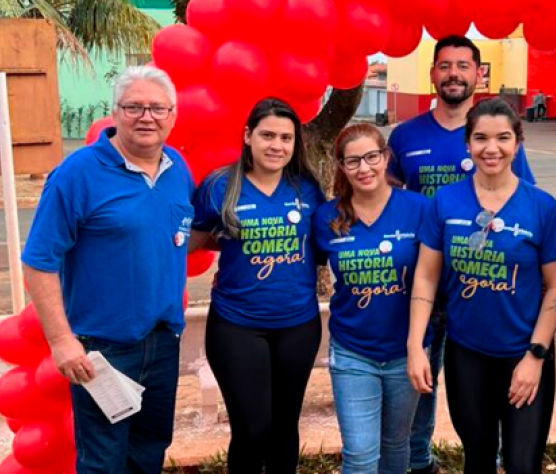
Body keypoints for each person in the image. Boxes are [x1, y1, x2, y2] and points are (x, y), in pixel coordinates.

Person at [22, 65, 194, 474]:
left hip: (162, 342)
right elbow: (38, 261)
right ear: (115, 112)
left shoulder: (177, 168)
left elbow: (179, 235)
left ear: (172, 115)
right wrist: (61, 341)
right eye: (134, 107)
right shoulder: (77, 173)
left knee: (148, 454)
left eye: (158, 108)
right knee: (103, 463)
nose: (147, 117)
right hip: (103, 351)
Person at [386, 35, 537, 474]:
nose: (454, 74)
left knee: (486, 380)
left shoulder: (495, 133)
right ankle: (419, 461)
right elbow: (387, 201)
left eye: (463, 65)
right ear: (433, 73)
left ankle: (492, 457)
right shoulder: (405, 136)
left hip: (483, 285)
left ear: (478, 74)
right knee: (420, 380)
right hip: (425, 282)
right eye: (445, 65)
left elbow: (525, 202)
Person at [407, 98, 556, 474]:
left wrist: (535, 355)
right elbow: (426, 276)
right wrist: (415, 345)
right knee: (478, 457)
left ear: (518, 143)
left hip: (524, 354)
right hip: (467, 354)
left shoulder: (542, 207)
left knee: (522, 464)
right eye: (481, 138)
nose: (491, 148)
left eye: (503, 138)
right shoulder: (445, 201)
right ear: (468, 143)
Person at [188, 98, 324, 474]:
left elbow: (326, 245)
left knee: (284, 427)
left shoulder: (307, 190)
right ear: (248, 136)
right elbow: (189, 244)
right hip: (236, 325)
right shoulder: (220, 186)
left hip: (298, 324)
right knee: (252, 429)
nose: (276, 145)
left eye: (286, 138)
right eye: (267, 135)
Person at [312, 124, 430, 474]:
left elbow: (432, 278)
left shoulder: (419, 208)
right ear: (341, 166)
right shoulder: (327, 217)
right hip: (353, 350)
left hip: (406, 350)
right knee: (361, 454)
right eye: (353, 161)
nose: (364, 168)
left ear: (386, 157)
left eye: (371, 157)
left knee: (396, 444)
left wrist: (417, 348)